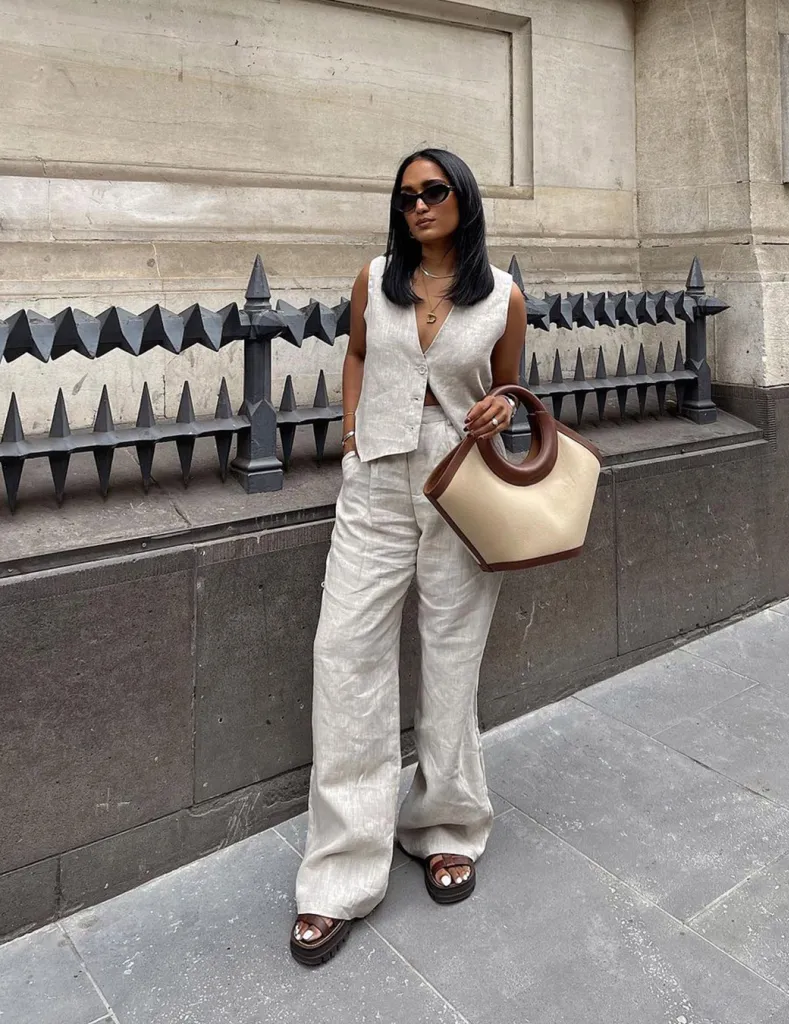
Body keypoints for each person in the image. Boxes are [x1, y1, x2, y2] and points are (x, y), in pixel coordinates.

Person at [290, 148, 526, 966]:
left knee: (452, 661)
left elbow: (506, 390)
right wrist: (351, 438)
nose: (418, 206)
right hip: (376, 483)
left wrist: (495, 412)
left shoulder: (501, 297)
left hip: (458, 485)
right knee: (345, 655)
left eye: (432, 193)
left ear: (463, 198)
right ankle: (339, 874)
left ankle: (445, 824)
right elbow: (356, 353)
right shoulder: (374, 279)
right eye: (405, 198)